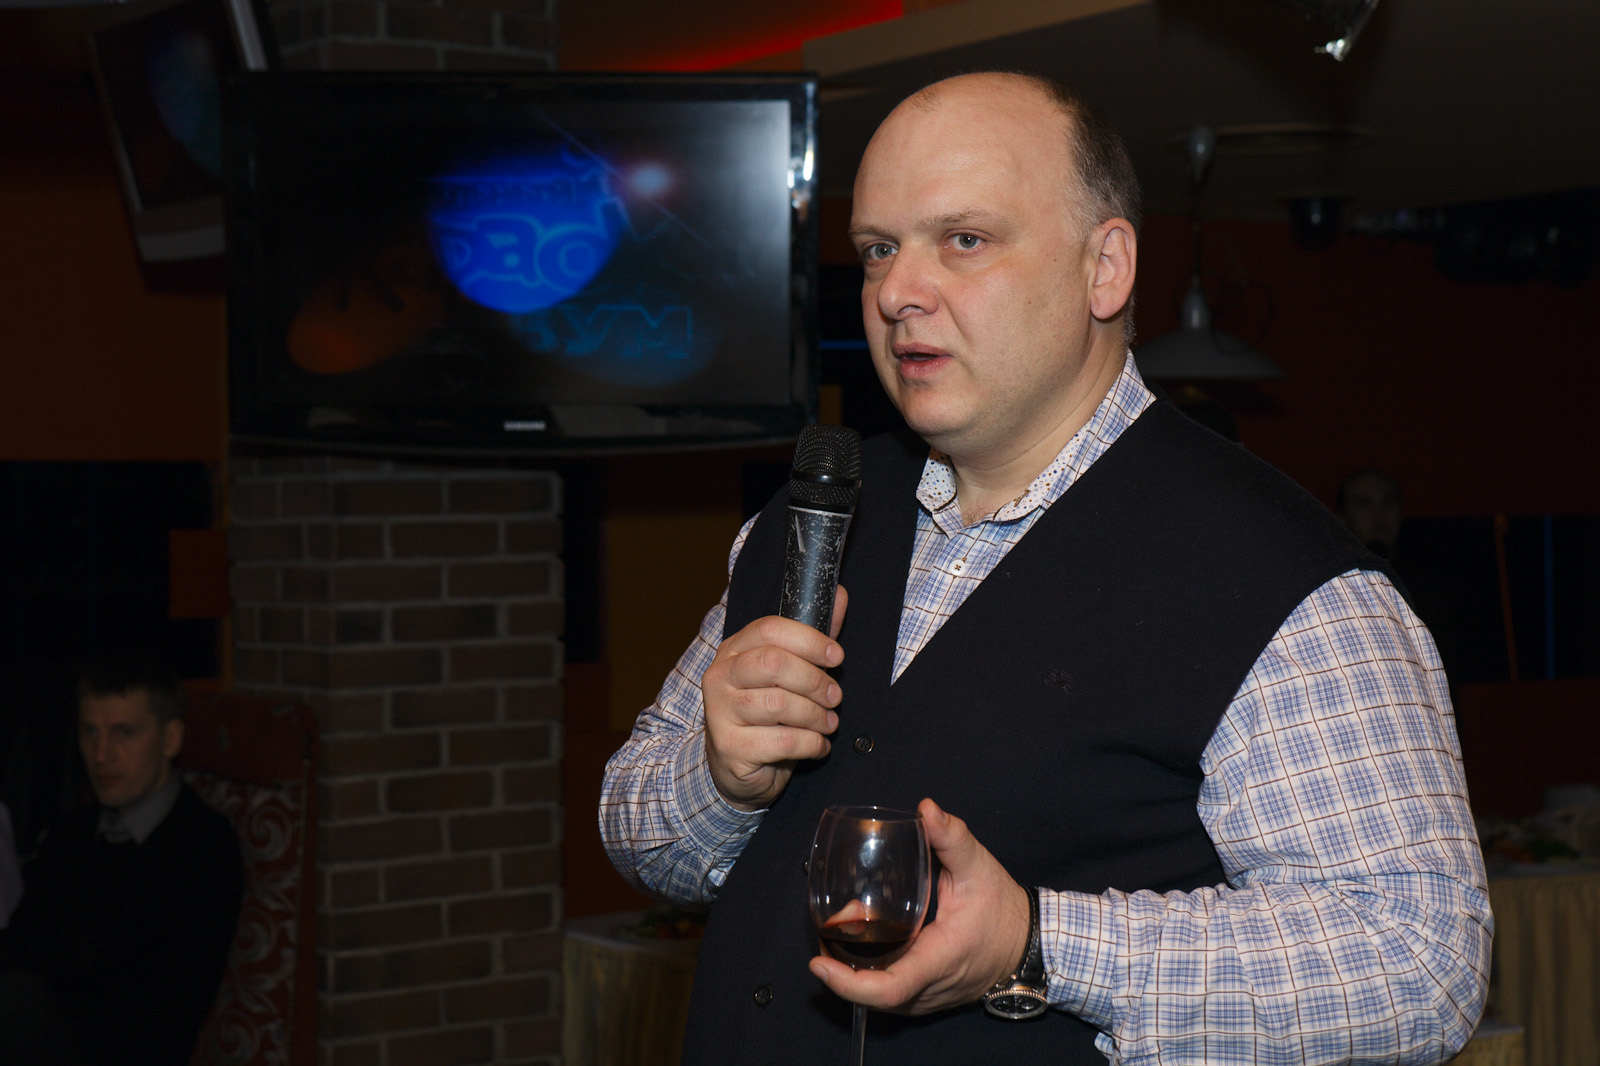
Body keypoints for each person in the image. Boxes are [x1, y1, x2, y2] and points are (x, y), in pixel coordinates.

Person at [601, 71, 1490, 1065]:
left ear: (1104, 269)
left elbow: (1418, 965)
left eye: (963, 239)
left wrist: (1038, 942)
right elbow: (638, 832)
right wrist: (719, 779)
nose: (895, 292)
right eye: (879, 248)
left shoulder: (1286, 581)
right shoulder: (807, 515)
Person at [0, 661, 243, 1066]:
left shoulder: (199, 844)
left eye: (123, 733)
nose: (101, 754)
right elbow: (30, 934)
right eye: (89, 732)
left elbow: (94, 958)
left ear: (170, 738)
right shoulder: (74, 831)